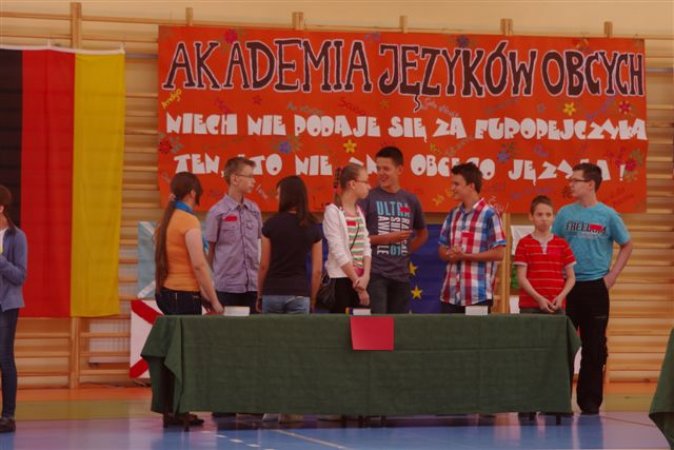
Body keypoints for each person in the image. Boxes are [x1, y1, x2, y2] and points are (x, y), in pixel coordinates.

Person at [553, 162, 632, 415]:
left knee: (594, 346)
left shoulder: (608, 215)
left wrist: (612, 276)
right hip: (568, 286)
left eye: (575, 180)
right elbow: (554, 246)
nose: (570, 184)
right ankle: (558, 400)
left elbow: (627, 245)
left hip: (596, 287)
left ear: (590, 184)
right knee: (563, 345)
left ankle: (589, 401)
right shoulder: (564, 214)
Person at [154, 172, 223, 427]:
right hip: (183, 295)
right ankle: (181, 409)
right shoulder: (188, 221)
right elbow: (198, 264)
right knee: (185, 356)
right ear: (193, 193)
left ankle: (172, 409)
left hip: (166, 293)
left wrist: (200, 294)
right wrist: (213, 299)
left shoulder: (166, 220)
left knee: (173, 354)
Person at [359, 146, 428, 314]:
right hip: (375, 274)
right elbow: (359, 239)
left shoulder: (411, 200)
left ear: (399, 170)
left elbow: (423, 233)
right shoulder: (368, 197)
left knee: (398, 325)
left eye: (386, 169)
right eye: (378, 168)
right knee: (378, 324)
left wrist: (406, 250)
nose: (381, 173)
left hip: (401, 276)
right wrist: (388, 238)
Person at [438, 162, 506, 313]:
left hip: (477, 295)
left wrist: (466, 256)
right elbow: (441, 249)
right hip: (449, 295)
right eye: (452, 184)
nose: (452, 188)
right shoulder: (453, 214)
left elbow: (499, 253)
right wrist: (450, 254)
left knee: (476, 330)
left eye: (456, 184)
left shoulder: (490, 214)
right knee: (447, 330)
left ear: (471, 186)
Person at [257, 176, 323, 314]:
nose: (276, 198)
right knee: (297, 329)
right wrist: (312, 299)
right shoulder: (312, 226)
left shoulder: (270, 224)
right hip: (300, 292)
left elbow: (263, 265)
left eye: (278, 194)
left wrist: (259, 295)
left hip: (272, 291)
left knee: (270, 329)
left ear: (286, 196)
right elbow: (317, 271)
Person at [205, 157, 263, 314]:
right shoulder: (217, 212)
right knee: (228, 328)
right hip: (227, 287)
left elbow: (259, 245)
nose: (253, 181)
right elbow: (210, 251)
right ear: (235, 179)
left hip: (252, 286)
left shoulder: (254, 210)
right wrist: (216, 278)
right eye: (249, 176)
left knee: (253, 328)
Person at [514, 195, 576, 314]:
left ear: (553, 218)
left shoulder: (562, 244)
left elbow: (571, 277)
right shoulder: (524, 243)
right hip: (530, 305)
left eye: (548, 215)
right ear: (531, 217)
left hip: (556, 304)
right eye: (539, 214)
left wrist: (561, 296)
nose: (544, 218)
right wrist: (539, 298)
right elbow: (521, 278)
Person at [323, 163, 372, 313]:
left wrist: (366, 276)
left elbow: (366, 245)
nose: (369, 186)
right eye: (365, 182)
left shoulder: (359, 212)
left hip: (361, 280)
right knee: (338, 324)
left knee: (362, 323)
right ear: (353, 184)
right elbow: (338, 250)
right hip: (341, 280)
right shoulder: (333, 212)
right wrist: (357, 282)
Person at [0, 186, 27, 433]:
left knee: (4, 358)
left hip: (5, 305)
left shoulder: (16, 236)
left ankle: (8, 416)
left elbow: (20, 275)